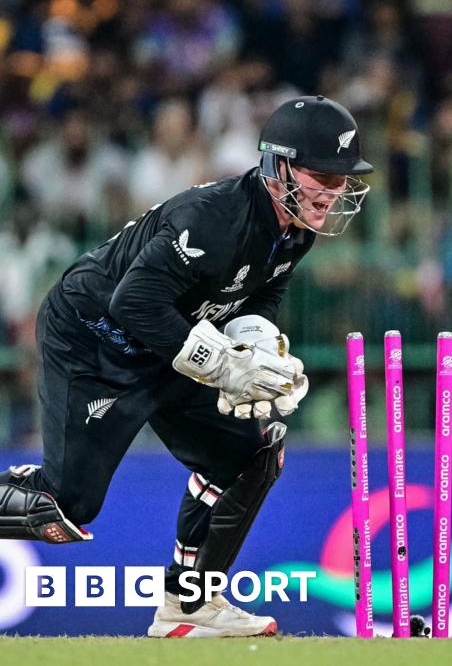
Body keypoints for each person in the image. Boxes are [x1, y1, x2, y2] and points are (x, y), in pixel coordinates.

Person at [0, 96, 372, 637]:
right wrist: (222, 366)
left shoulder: (295, 229)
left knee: (252, 451)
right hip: (94, 340)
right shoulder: (213, 217)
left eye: (342, 178)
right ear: (278, 166)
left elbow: (260, 296)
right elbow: (133, 304)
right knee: (66, 506)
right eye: (322, 175)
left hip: (167, 346)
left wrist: (259, 348)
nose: (334, 191)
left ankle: (189, 606)